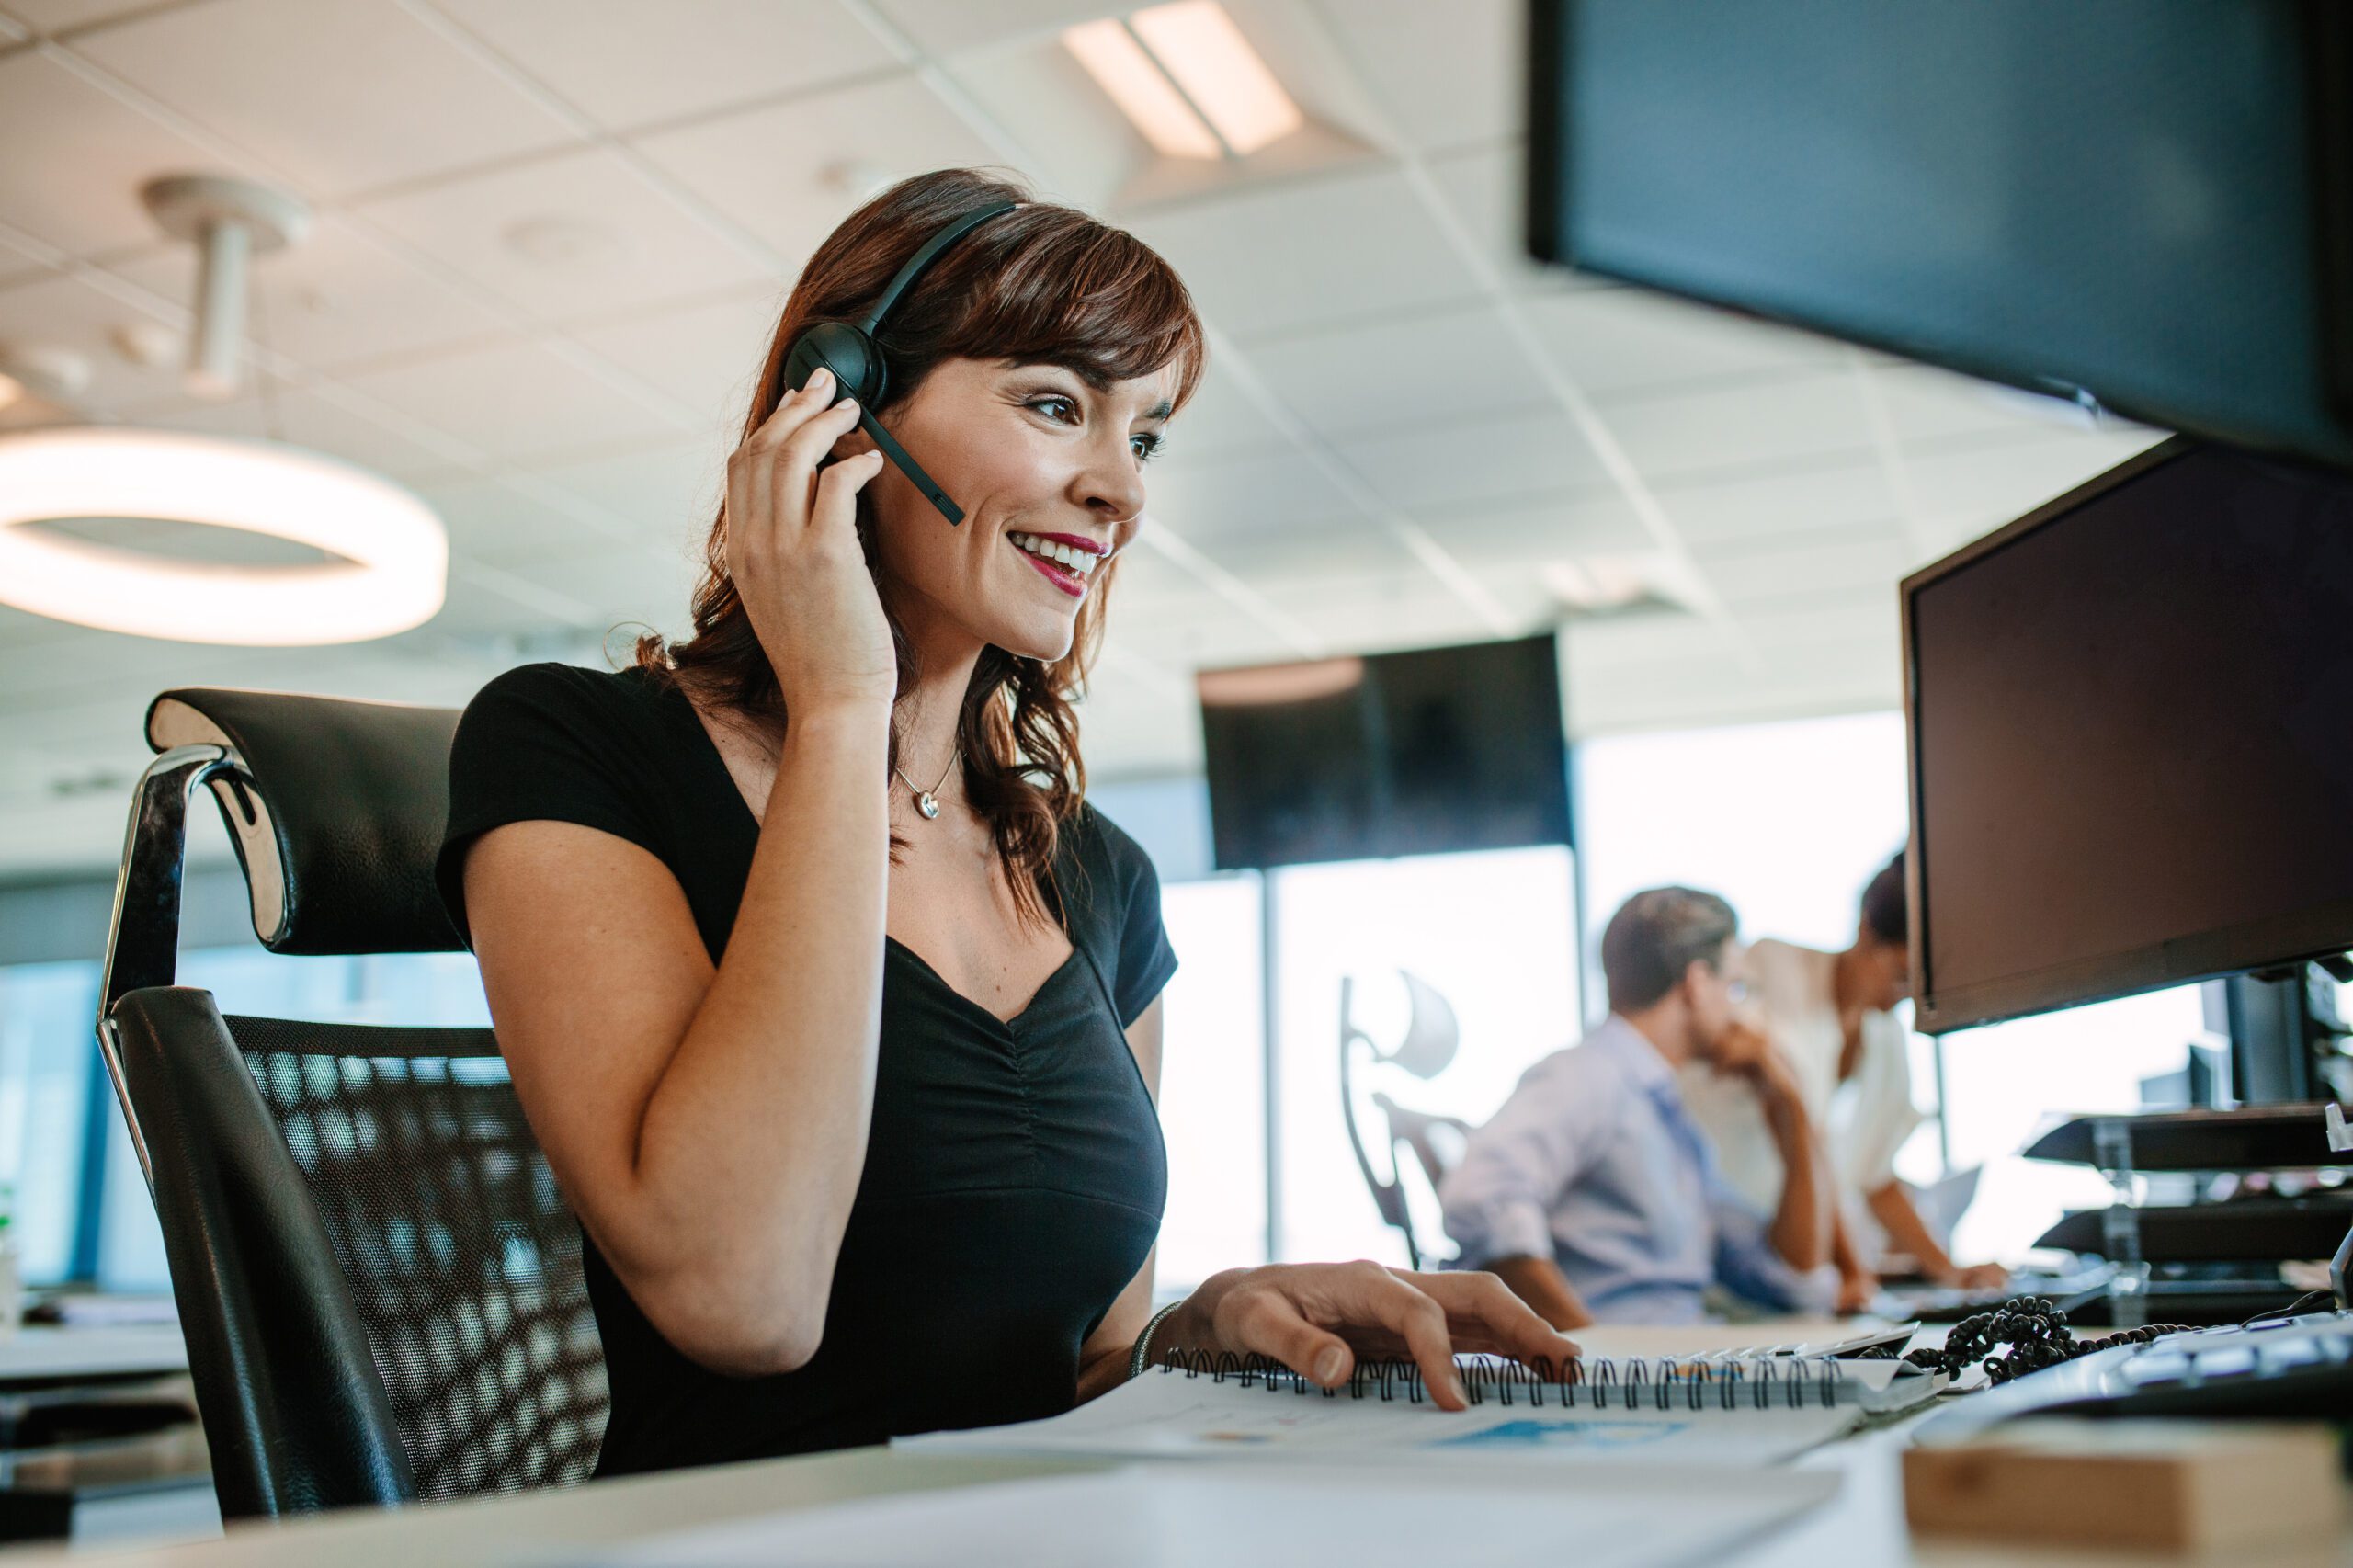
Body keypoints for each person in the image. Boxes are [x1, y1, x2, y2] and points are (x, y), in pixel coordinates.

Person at [436, 168, 1576, 1477]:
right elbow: (742, 1296)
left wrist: (1211, 1323)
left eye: (1142, 436)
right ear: (840, 408)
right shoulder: (577, 746)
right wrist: (843, 705)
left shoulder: (1101, 875)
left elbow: (1088, 1359)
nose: (1123, 495)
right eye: (1055, 406)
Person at [1438, 888, 1837, 1328]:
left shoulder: (1669, 1120)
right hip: (1630, 1377)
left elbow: (1789, 1276)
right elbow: (1482, 1199)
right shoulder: (1588, 1075)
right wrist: (1591, 1358)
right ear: (1697, 983)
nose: (1742, 1012)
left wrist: (1791, 1113)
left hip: (1675, 1361)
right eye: (1737, 987)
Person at [1679, 853, 2004, 1306]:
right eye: (1900, 976)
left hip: (1801, 1274)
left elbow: (1876, 1178)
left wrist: (1949, 1271)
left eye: (1918, 985)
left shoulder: (1886, 1037)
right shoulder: (1772, 969)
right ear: (1866, 934)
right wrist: (1852, 1269)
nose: (1904, 996)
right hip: (1725, 1247)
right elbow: (1793, 1126)